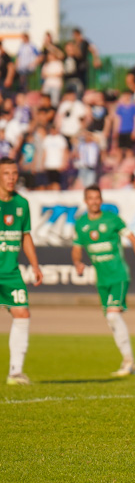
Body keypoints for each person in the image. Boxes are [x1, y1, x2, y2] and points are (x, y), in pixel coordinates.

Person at [72, 186, 135, 376]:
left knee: (114, 316)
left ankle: (128, 362)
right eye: (90, 198)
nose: (94, 201)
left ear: (101, 199)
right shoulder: (81, 224)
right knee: (110, 319)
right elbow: (76, 246)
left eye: (97, 197)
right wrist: (77, 262)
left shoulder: (112, 220)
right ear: (85, 200)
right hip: (102, 280)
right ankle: (130, 362)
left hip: (118, 275)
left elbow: (134, 240)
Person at [0, 158, 42, 384]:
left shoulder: (22, 204)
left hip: (11, 272)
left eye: (14, 173)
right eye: (6, 173)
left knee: (22, 314)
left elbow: (25, 235)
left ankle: (15, 372)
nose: (11, 177)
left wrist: (34, 265)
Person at [114, 91, 135, 160]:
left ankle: (129, 164)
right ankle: (118, 167)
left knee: (129, 150)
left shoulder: (134, 107)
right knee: (119, 149)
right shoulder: (120, 107)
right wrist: (116, 130)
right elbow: (117, 119)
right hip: (121, 131)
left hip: (130, 130)